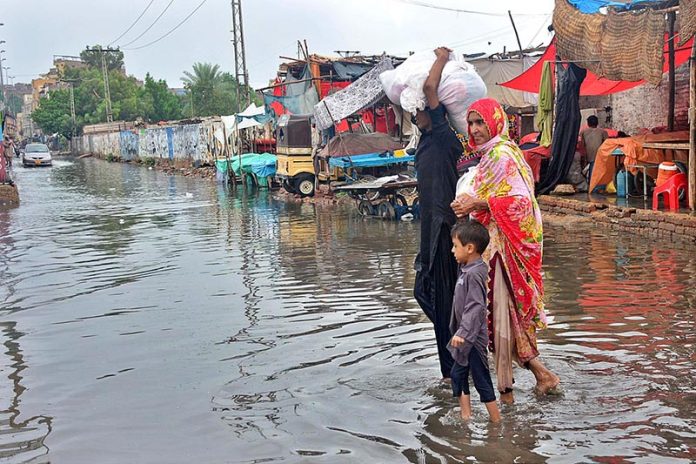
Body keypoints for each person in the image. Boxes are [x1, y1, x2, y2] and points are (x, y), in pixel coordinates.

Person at [451, 98, 560, 404]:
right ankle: (541, 377)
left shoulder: (501, 155)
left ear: (495, 122)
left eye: (480, 122)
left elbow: (520, 202)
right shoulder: (495, 155)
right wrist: (470, 202)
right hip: (494, 246)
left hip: (503, 249)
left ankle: (507, 398)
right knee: (503, 318)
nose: (475, 129)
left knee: (499, 319)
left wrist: (477, 204)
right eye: (471, 123)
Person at [412, 47, 462, 379]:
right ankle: (463, 338)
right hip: (428, 228)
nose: (414, 113)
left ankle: (454, 373)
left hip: (445, 227)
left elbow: (430, 88)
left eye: (419, 109)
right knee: (422, 291)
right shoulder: (425, 140)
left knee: (442, 298)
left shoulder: (445, 138)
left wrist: (442, 56)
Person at [449, 220, 501, 422]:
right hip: (463, 337)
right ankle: (466, 416)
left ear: (470, 248)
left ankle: (496, 422)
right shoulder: (467, 270)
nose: (452, 250)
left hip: (471, 339)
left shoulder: (475, 273)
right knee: (457, 374)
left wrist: (463, 332)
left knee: (481, 380)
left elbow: (476, 306)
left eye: (455, 246)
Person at [579, 115, 608, 184]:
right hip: (600, 156)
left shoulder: (583, 132)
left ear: (588, 123)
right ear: (597, 123)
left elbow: (582, 145)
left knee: (590, 170)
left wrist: (583, 156)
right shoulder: (603, 132)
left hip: (588, 156)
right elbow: (607, 144)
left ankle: (590, 184)